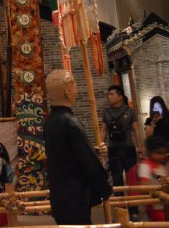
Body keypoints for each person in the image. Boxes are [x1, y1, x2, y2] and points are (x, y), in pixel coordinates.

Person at [43, 70, 112, 225]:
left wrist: (95, 151)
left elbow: (66, 154)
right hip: (74, 196)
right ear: (67, 92)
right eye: (74, 85)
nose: (77, 90)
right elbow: (87, 161)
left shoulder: (49, 122)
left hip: (59, 196)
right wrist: (104, 188)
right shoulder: (71, 123)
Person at [101, 85, 143, 220]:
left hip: (128, 148)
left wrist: (140, 148)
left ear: (120, 96)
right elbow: (104, 130)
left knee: (131, 180)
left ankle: (134, 210)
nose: (109, 97)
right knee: (117, 180)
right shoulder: (106, 111)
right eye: (108, 95)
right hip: (113, 149)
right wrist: (101, 145)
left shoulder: (129, 110)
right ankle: (121, 211)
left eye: (112, 94)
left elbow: (136, 130)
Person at [136, 137, 169, 222]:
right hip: (153, 206)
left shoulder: (162, 167)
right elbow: (143, 187)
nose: (162, 156)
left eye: (164, 153)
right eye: (158, 153)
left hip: (164, 204)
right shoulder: (145, 166)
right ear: (149, 152)